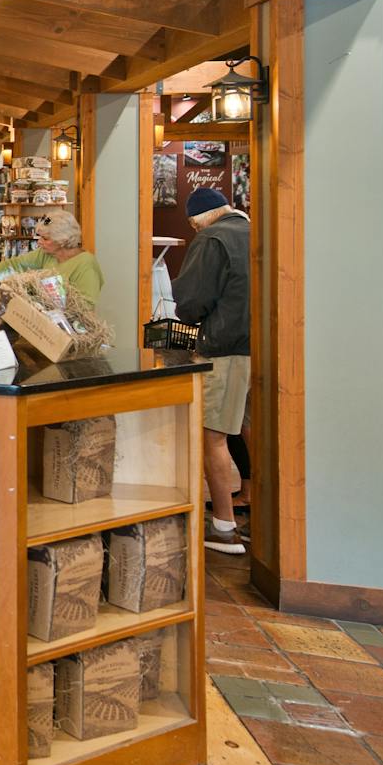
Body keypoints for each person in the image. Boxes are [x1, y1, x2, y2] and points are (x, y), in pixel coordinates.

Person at [172, 187, 251, 556]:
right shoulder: (256, 231)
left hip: (225, 347)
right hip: (261, 348)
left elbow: (191, 300)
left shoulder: (211, 238)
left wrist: (188, 317)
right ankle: (259, 518)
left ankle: (223, 527)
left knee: (212, 435)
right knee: (251, 432)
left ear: (196, 219)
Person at [0, 210, 104, 301]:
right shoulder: (47, 253)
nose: (39, 242)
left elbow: (85, 307)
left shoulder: (86, 265)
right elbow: (16, 264)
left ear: (63, 240)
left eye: (45, 238)